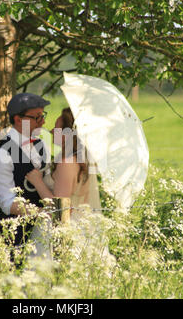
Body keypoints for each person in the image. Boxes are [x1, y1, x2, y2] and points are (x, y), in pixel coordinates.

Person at [25, 107, 106, 260]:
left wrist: (37, 182)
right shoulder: (83, 159)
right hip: (82, 228)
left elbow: (60, 211)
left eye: (56, 129)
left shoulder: (68, 163)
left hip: (65, 233)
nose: (50, 131)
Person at [0, 92, 50, 247]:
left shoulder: (41, 145)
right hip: (14, 236)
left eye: (43, 116)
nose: (43, 122)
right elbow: (8, 204)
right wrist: (45, 214)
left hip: (45, 234)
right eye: (37, 117)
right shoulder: (1, 153)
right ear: (18, 119)